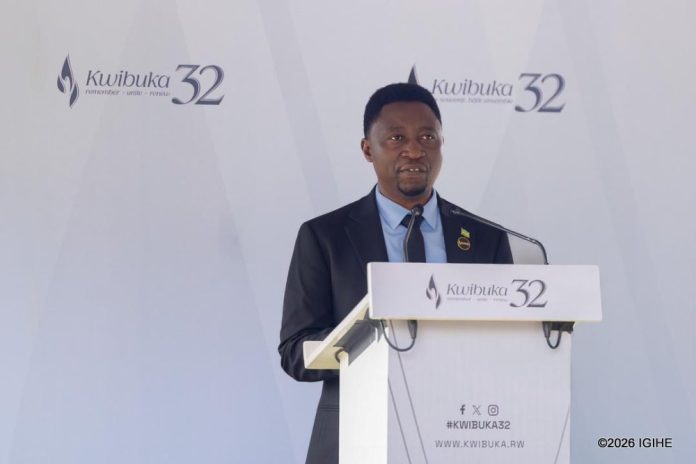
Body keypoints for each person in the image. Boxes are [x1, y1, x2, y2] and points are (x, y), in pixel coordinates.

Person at [278, 83, 513, 464]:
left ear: (442, 144)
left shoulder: (486, 238)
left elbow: (510, 344)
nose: (415, 150)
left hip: (462, 437)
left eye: (427, 137)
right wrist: (367, 339)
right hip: (356, 438)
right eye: (396, 138)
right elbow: (295, 353)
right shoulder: (324, 237)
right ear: (367, 149)